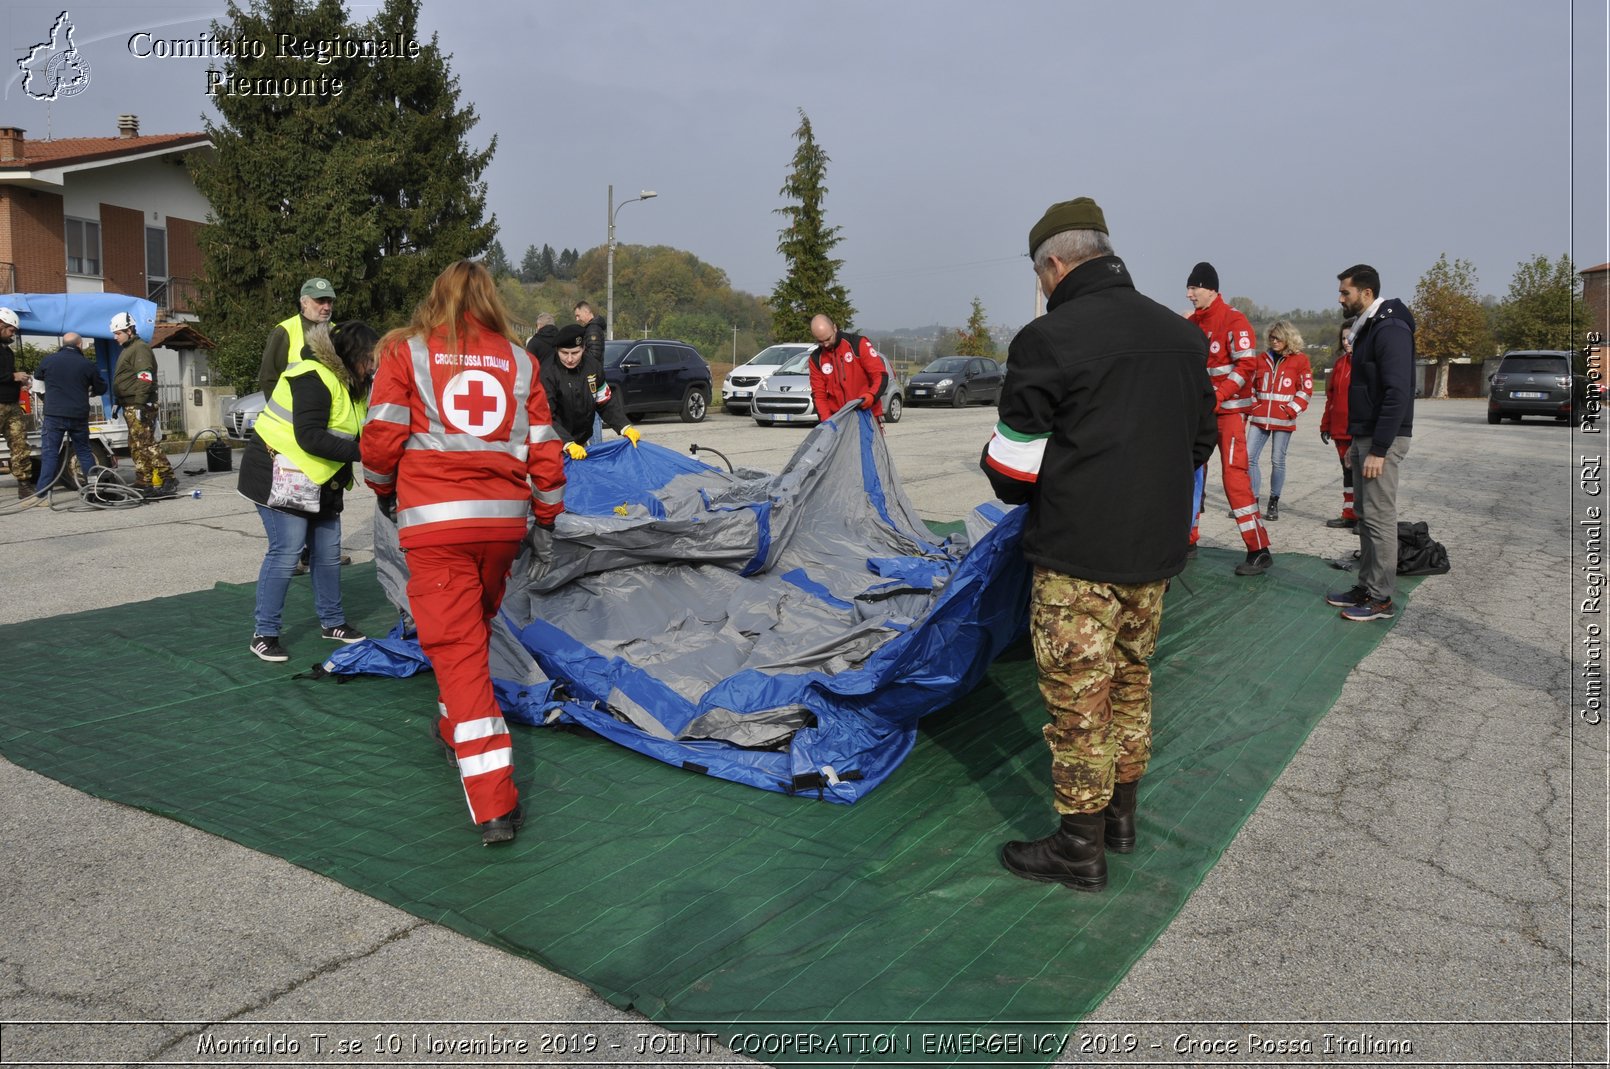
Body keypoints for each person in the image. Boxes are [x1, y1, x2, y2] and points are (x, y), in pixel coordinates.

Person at [981, 197, 1217, 892]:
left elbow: (1012, 472)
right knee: (1132, 681)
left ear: (1054, 263)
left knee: (1079, 701)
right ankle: (1121, 819)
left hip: (1079, 560)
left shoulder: (1047, 339)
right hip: (1155, 557)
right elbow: (1199, 442)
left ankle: (1079, 848)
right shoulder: (1180, 336)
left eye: (1039, 274)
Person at [362, 261, 566, 847]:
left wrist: (382, 490)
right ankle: (454, 726)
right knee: (470, 630)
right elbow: (545, 452)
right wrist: (546, 521)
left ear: (437, 298)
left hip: (435, 526)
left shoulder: (408, 354)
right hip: (502, 527)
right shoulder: (520, 361)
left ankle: (494, 801)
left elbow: (381, 437)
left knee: (458, 653)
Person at [238, 321, 375, 662]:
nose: (374, 366)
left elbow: (350, 431)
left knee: (327, 553)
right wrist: (367, 452)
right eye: (370, 358)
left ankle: (333, 622)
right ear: (353, 355)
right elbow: (310, 436)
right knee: (286, 551)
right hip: (276, 474)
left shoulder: (352, 383)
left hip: (319, 479)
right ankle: (264, 633)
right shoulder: (312, 376)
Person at [1326, 265, 1415, 622]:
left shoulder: (1390, 329)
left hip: (1384, 439)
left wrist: (1379, 448)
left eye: (1345, 292)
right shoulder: (1367, 328)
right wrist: (1355, 441)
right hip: (1365, 436)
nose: (1340, 298)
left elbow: (1397, 392)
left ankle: (1381, 598)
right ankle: (1366, 586)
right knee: (1364, 515)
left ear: (1365, 293)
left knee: (1379, 519)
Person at [1185, 262, 1272, 575]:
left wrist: (1217, 397)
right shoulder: (1193, 323)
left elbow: (1246, 366)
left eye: (1195, 288)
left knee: (1234, 477)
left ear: (1212, 289)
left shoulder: (1234, 320)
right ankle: (1188, 539)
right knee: (1191, 474)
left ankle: (1258, 548)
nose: (1189, 294)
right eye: (1189, 287)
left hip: (1230, 413)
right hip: (1202, 413)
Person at [1245, 320, 1313, 520]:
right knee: (1248, 458)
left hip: (1284, 420)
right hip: (1259, 418)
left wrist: (1291, 410)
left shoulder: (1300, 360)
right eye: (1271, 338)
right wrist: (1254, 405)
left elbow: (1306, 389)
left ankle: (1273, 501)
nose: (1274, 341)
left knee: (1277, 460)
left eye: (1278, 338)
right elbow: (1250, 386)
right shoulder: (1261, 359)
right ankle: (1253, 501)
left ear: (1288, 339)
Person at [540, 322, 639, 459]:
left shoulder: (592, 366)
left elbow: (604, 401)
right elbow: (545, 417)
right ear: (557, 350)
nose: (569, 359)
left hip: (580, 444)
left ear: (583, 348)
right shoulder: (547, 373)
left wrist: (624, 425)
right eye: (564, 353)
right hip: (552, 445)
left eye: (575, 353)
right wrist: (567, 443)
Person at [30, 333, 105, 504]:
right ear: (80, 345)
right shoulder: (87, 364)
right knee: (84, 452)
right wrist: (92, 389)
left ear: (63, 344)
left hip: (54, 414)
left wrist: (47, 397)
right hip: (78, 415)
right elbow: (101, 387)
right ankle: (94, 490)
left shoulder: (48, 360)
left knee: (50, 454)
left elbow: (37, 381)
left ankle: (42, 495)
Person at [110, 311, 176, 497]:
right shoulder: (129, 349)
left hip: (140, 405)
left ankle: (168, 478)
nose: (116, 337)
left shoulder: (139, 349)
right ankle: (143, 480)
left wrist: (139, 405)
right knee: (137, 445)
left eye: (118, 333)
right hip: (129, 404)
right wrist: (118, 401)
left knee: (146, 443)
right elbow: (128, 379)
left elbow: (144, 378)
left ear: (129, 330)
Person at [258, 277, 337, 396]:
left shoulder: (338, 332)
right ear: (304, 302)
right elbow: (268, 377)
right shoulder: (284, 330)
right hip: (296, 411)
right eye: (320, 301)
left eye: (329, 301)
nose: (327, 307)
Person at [807, 314, 888, 423]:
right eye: (820, 341)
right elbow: (819, 395)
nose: (825, 344)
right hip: (839, 419)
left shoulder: (858, 344)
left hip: (867, 415)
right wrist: (827, 422)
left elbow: (880, 375)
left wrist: (871, 396)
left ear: (834, 328)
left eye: (828, 339)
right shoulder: (816, 359)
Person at [1319, 317, 1359, 529]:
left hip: (1358, 430)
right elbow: (1331, 397)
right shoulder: (1339, 365)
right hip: (1339, 429)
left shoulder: (1365, 364)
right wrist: (1325, 425)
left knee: (1360, 474)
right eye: (1344, 338)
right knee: (1347, 472)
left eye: (1350, 337)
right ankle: (1349, 513)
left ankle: (1364, 517)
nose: (1346, 342)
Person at [0, 307, 35, 500]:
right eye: (11, 330)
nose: (13, 334)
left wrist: (19, 381)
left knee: (20, 443)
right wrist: (12, 376)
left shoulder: (7, 351)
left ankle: (24, 484)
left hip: (12, 405)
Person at [574, 301, 606, 366]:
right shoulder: (591, 328)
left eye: (578, 316)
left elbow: (594, 355)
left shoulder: (592, 330)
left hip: (591, 372)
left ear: (586, 312)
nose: (577, 319)